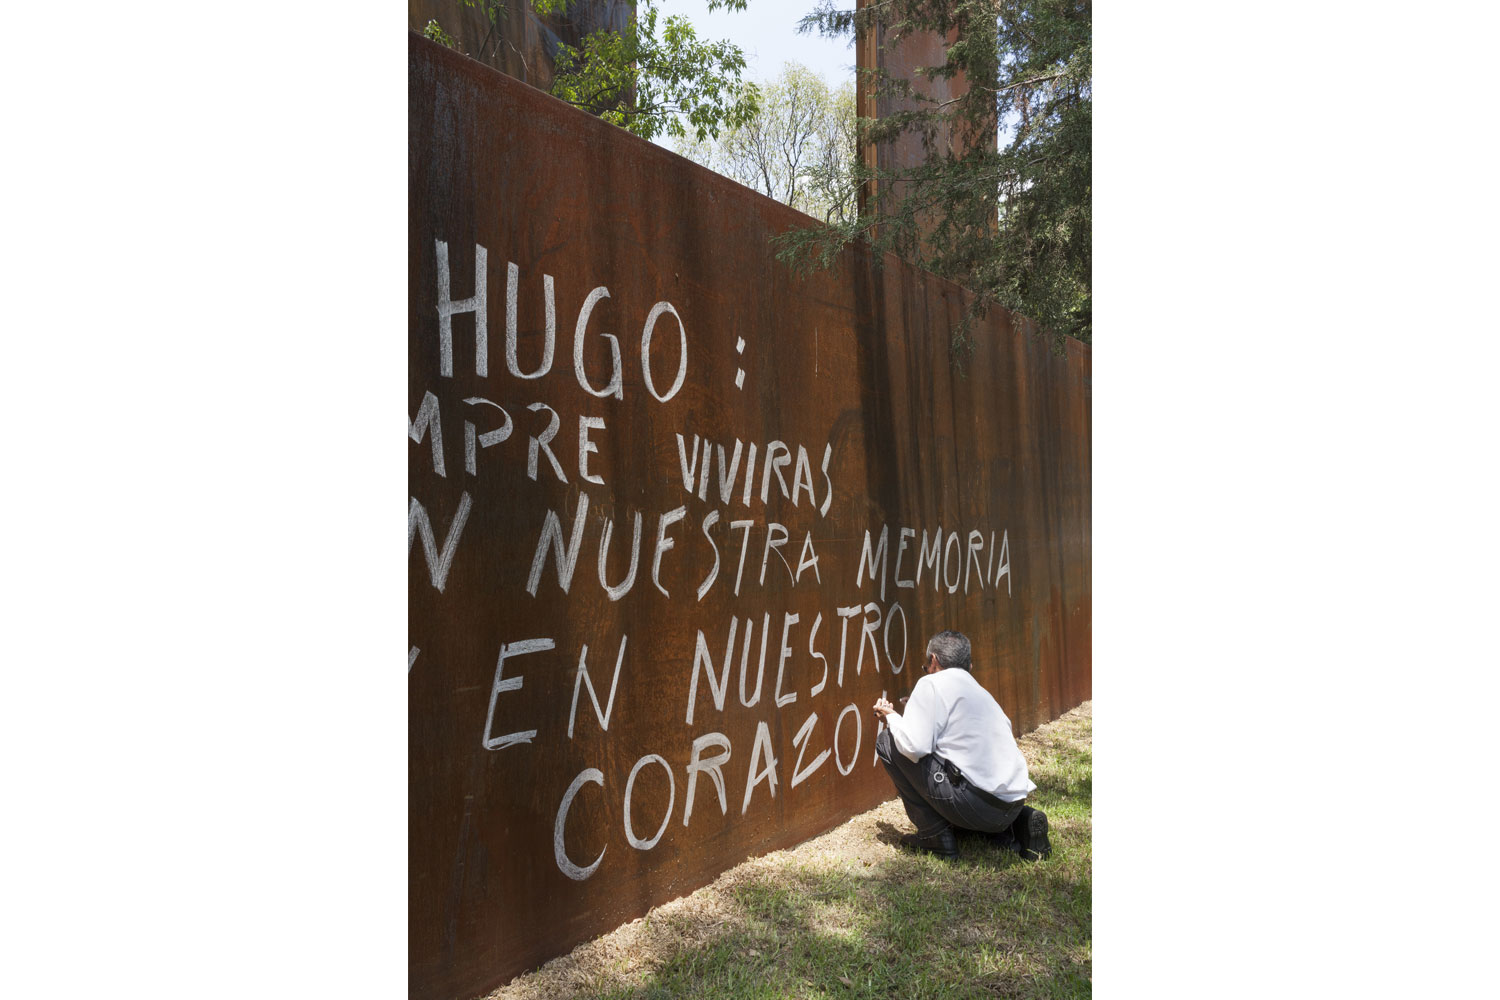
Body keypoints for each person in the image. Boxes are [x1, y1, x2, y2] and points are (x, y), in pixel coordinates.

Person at [873, 629, 1051, 862]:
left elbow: (915, 747)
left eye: (925, 666)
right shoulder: (981, 692)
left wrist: (893, 718)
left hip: (976, 806)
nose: (926, 671)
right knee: (966, 779)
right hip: (1012, 804)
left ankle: (935, 837)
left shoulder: (931, 683)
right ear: (969, 665)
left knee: (888, 741)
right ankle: (1017, 824)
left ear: (934, 660)